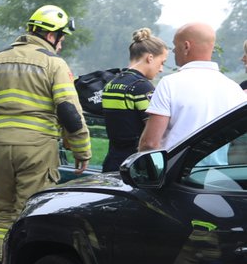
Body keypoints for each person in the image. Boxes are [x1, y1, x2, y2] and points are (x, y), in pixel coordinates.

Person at [0, 5, 90, 264]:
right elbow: (68, 111)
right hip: (37, 148)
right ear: (50, 34)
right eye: (61, 36)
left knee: (2, 209)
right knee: (30, 211)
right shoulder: (54, 64)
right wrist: (82, 149)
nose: (61, 42)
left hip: (0, 146)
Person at [137, 21, 247, 152]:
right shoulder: (234, 89)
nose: (173, 51)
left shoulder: (169, 84)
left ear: (186, 46)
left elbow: (150, 143)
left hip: (177, 169)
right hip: (219, 171)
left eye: (174, 46)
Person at [100, 28, 168, 171]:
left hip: (112, 162)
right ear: (150, 58)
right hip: (134, 166)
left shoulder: (111, 84)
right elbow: (155, 134)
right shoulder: (141, 87)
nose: (161, 69)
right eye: (162, 62)